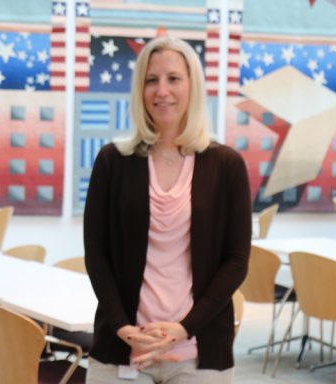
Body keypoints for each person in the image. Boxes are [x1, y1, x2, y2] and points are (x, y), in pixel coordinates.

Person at [82, 36, 250, 383]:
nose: (162, 91)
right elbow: (97, 255)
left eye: (174, 78)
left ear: (192, 86)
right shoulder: (112, 161)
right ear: (140, 89)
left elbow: (236, 261)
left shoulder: (226, 165)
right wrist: (124, 329)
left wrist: (182, 328)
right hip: (123, 349)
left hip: (198, 353)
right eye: (151, 80)